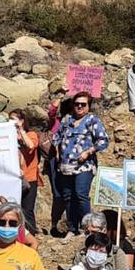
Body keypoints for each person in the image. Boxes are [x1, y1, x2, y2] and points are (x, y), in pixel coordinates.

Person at [51, 91, 110, 235]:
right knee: (68, 196)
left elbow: (103, 140)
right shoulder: (67, 119)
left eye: (83, 104)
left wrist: (88, 151)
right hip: (65, 166)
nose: (79, 107)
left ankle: (87, 229)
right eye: (77, 104)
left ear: (88, 106)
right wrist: (58, 151)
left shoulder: (92, 120)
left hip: (84, 165)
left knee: (81, 194)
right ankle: (72, 228)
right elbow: (56, 136)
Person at [10, 110, 42, 234]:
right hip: (14, 177)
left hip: (29, 177)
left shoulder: (32, 134)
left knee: (27, 208)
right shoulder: (9, 136)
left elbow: (30, 146)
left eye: (14, 119)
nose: (11, 122)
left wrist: (21, 130)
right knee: (15, 208)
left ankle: (31, 233)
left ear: (22, 121)